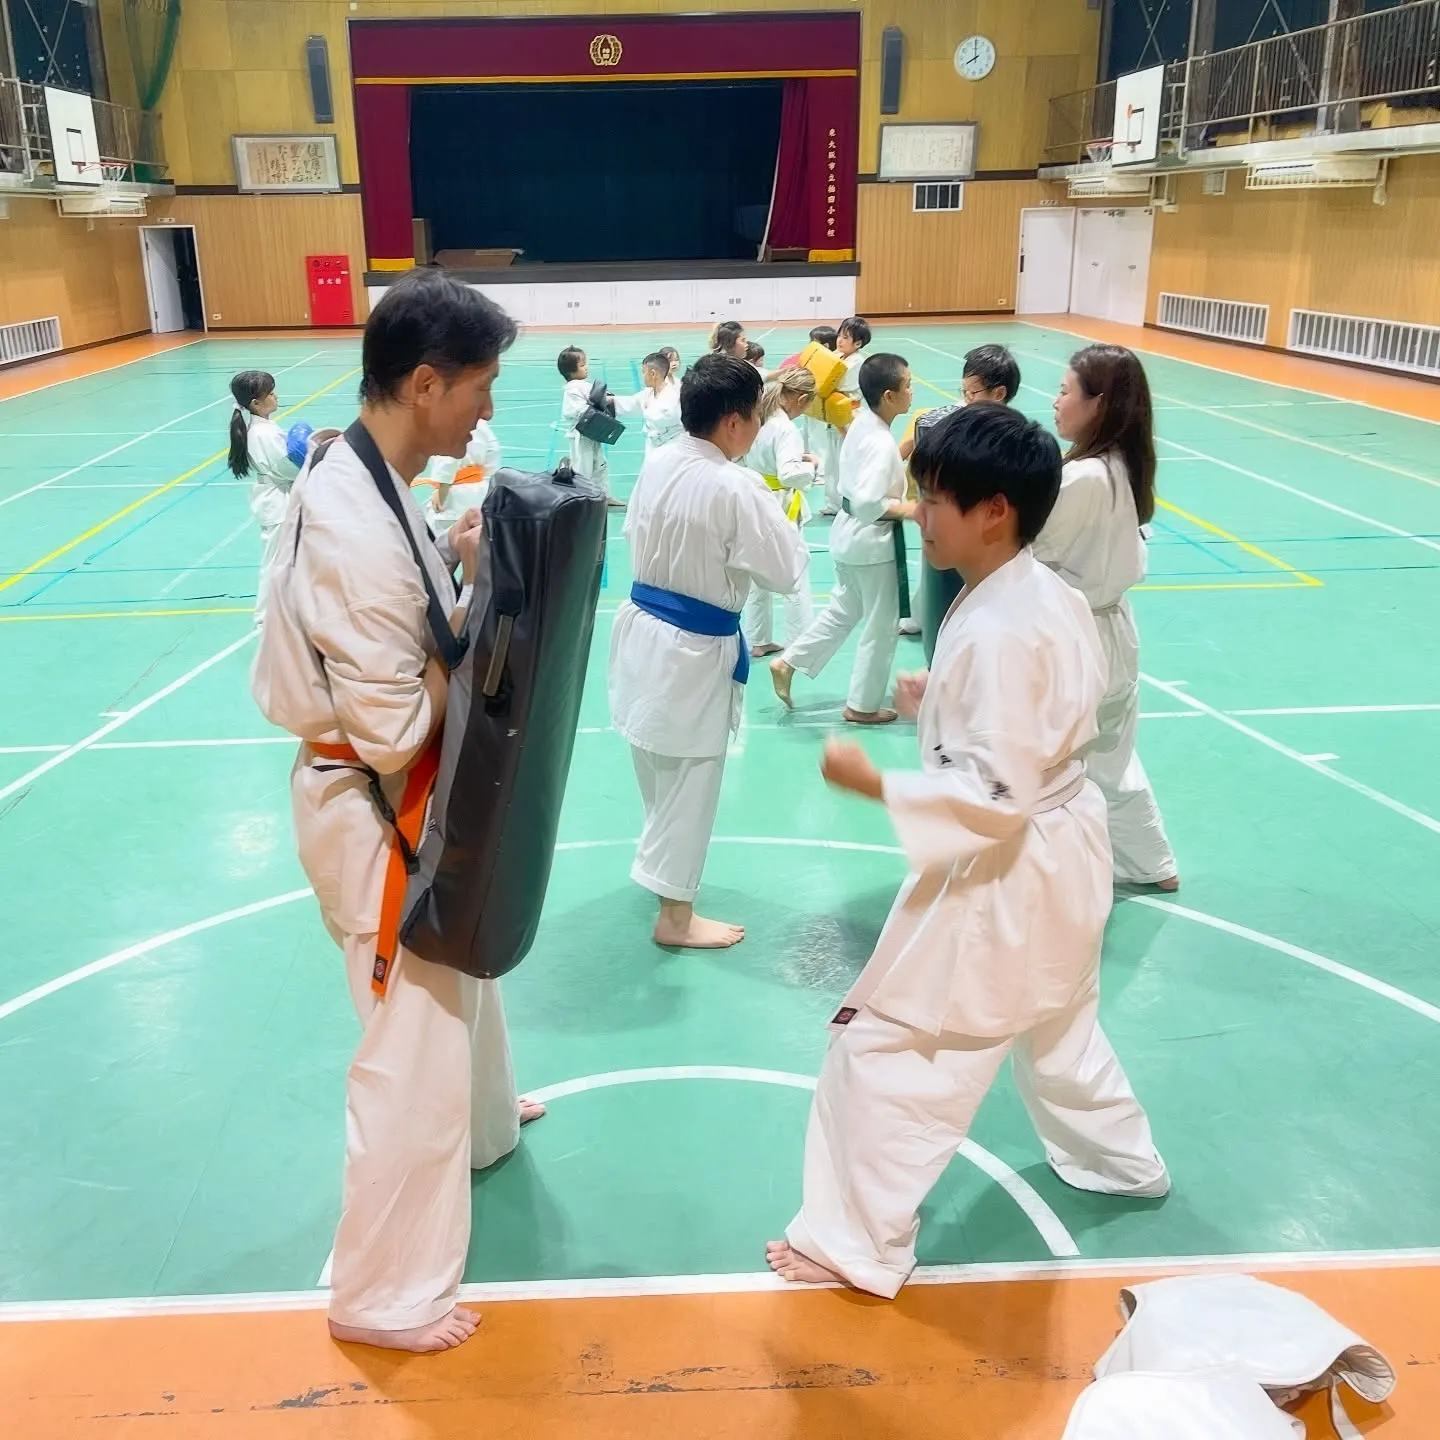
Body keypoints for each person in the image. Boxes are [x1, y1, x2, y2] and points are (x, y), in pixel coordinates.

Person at [766, 404, 1170, 1300]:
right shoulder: (1045, 592)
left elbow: (996, 799)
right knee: (1059, 1027)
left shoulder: (995, 627)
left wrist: (876, 783)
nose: (920, 514)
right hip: (1069, 848)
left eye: (934, 499)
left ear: (994, 510)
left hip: (1011, 870)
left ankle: (855, 1243)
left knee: (893, 1055)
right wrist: (941, 706)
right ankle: (1122, 1162)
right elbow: (1046, 720)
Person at [251, 269, 545, 1354]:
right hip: (374, 800)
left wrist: (457, 571)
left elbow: (412, 636)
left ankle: (485, 1124)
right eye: (478, 386)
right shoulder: (355, 527)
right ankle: (379, 1293)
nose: (486, 408)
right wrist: (473, 631)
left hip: (392, 790)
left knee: (459, 978)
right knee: (409, 1039)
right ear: (425, 384)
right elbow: (395, 729)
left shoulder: (374, 478)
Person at [609, 354, 808, 949]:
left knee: (656, 769)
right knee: (691, 781)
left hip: (641, 628)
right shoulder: (734, 485)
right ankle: (675, 916)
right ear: (733, 422)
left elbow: (634, 533)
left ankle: (659, 874)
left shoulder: (659, 461)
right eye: (754, 417)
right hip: (693, 647)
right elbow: (784, 571)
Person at [1039, 345, 1179, 892]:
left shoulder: (1083, 478)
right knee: (1113, 759)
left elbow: (1033, 552)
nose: (1055, 402)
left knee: (1053, 762)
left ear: (1098, 403)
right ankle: (1152, 863)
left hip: (1080, 637)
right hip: (1114, 630)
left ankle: (1058, 870)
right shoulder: (1123, 466)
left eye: (1064, 391)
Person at [770, 353, 913, 725]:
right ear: (889, 396)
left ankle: (789, 662)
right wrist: (911, 509)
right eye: (907, 386)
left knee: (843, 610)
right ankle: (862, 705)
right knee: (881, 627)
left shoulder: (861, 422)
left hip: (848, 538)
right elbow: (869, 503)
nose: (911, 392)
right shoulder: (879, 440)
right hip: (871, 543)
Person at [903, 344, 1024, 665]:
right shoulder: (950, 425)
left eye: (973, 392)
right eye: (964, 391)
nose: (967, 398)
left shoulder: (1011, 439)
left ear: (999, 393)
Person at [741, 366, 820, 657]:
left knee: (757, 573)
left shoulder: (758, 418)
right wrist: (811, 466)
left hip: (756, 499)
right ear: (801, 398)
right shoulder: (785, 428)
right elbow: (788, 474)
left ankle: (758, 639)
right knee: (794, 574)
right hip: (781, 505)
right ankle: (801, 644)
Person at [228, 370, 299, 627]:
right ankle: (265, 618)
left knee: (288, 560)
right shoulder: (262, 434)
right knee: (275, 562)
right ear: (256, 403)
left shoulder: (265, 429)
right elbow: (285, 467)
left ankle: (289, 611)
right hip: (277, 502)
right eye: (270, 393)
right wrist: (311, 461)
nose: (275, 396)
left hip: (280, 499)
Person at [820, 316, 872, 516]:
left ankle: (850, 501)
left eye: (846, 337)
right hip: (834, 414)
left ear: (857, 343)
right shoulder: (838, 356)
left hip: (849, 416)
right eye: (839, 335)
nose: (840, 340)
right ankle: (833, 503)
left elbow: (835, 384)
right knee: (832, 462)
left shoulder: (857, 362)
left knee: (846, 461)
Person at [422, 415, 500, 535]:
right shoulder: (481, 424)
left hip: (454, 495)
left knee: (445, 535)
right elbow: (493, 450)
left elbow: (449, 456)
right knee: (478, 534)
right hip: (480, 491)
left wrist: (442, 488)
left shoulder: (451, 421)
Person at [557, 345, 614, 502]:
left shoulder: (585, 386)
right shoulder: (572, 390)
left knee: (600, 465)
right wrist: (597, 406)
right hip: (580, 436)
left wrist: (606, 401)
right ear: (571, 371)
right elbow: (574, 411)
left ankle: (604, 497)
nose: (586, 367)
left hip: (593, 433)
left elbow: (599, 398)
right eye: (582, 365)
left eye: (585, 363)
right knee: (583, 468)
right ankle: (579, 499)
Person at [613, 352, 683, 460]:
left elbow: (662, 418)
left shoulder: (673, 397)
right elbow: (632, 403)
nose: (643, 376)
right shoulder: (649, 393)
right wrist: (609, 400)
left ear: (652, 373)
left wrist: (647, 408)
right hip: (653, 446)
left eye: (644, 372)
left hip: (672, 447)